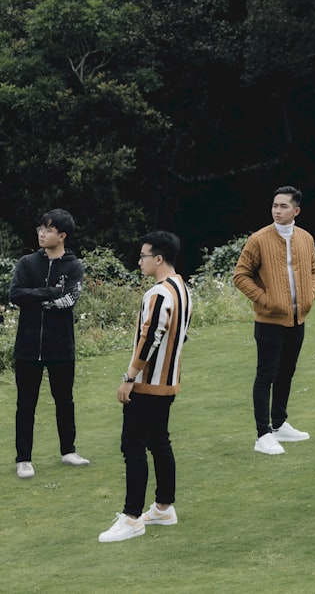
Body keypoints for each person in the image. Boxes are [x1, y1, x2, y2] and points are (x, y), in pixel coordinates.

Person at [99, 231, 192, 542]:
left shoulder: (158, 294)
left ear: (159, 258)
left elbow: (149, 338)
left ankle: (132, 517)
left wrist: (129, 378)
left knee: (133, 447)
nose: (140, 262)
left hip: (148, 385)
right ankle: (164, 508)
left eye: (143, 256)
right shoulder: (183, 288)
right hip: (168, 383)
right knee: (159, 442)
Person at [234, 185, 315, 455]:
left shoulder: (306, 238)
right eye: (274, 206)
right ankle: (263, 434)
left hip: (298, 319)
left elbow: (314, 270)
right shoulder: (259, 239)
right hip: (269, 321)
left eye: (283, 206)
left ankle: (279, 423)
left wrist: (310, 295)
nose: (277, 210)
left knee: (287, 372)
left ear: (296, 210)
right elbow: (241, 275)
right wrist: (266, 300)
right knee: (266, 375)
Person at [10, 209, 89, 479]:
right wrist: (49, 293)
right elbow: (15, 294)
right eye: (40, 228)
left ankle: (68, 451)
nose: (42, 233)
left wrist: (37, 298)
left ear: (62, 235)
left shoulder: (73, 266)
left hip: (61, 345)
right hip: (28, 346)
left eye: (48, 229)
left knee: (64, 400)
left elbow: (69, 300)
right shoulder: (27, 263)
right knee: (25, 403)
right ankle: (23, 459)